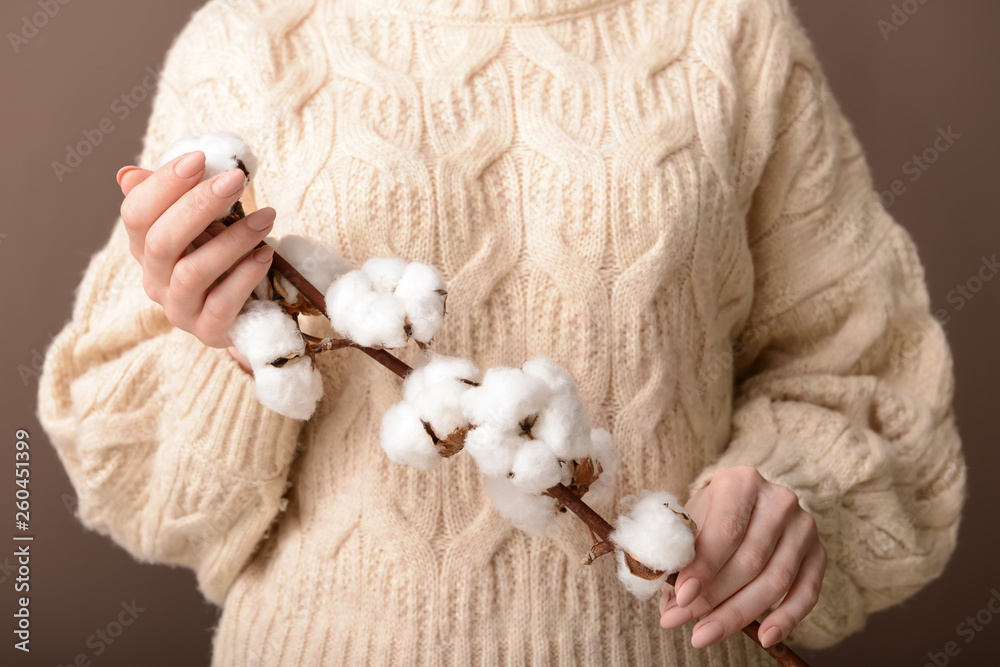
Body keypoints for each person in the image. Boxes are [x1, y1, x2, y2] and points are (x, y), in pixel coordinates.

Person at [37, 0, 966, 664]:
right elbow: (147, 496)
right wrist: (226, 343)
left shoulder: (730, 33)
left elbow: (866, 377)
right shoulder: (249, 36)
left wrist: (790, 499)